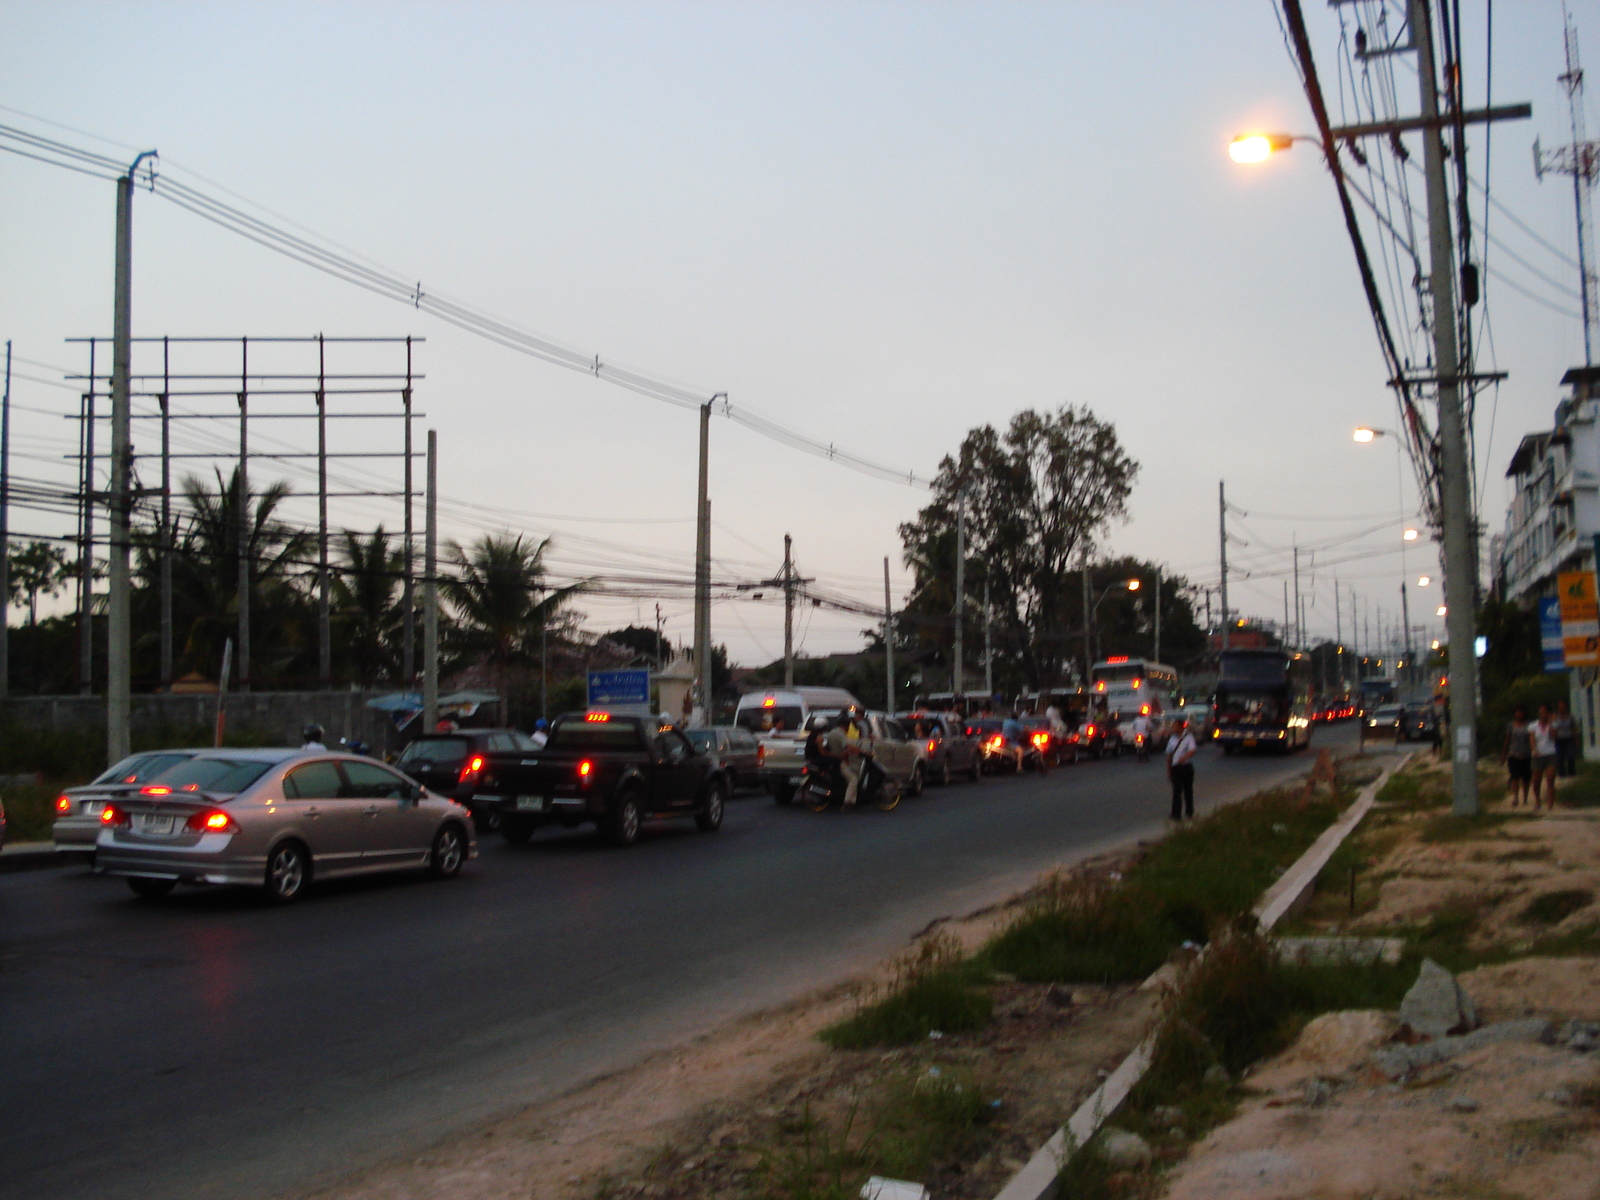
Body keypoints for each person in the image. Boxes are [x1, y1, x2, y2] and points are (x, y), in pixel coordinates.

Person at [1166, 718, 1198, 821]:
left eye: (1175, 726)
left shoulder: (1189, 737)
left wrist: (1184, 758)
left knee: (1188, 791)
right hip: (1175, 768)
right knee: (1176, 791)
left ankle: (1189, 812)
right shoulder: (1172, 739)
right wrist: (1169, 770)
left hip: (1186, 767)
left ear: (1180, 726)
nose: (1173, 728)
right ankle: (1176, 814)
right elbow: (1169, 754)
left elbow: (1193, 750)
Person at [1502, 707, 1533, 807]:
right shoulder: (1511, 726)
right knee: (1515, 777)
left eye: (1521, 712)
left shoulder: (1529, 726)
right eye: (1517, 713)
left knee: (1526, 778)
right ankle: (1515, 797)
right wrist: (1503, 755)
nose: (1519, 715)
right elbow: (1507, 741)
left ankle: (1525, 798)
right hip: (1514, 754)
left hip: (1526, 755)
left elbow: (1532, 739)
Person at [1531, 704, 1559, 810]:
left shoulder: (1553, 724)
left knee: (1550, 779)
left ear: (1548, 713)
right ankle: (1538, 800)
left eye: (1544, 712)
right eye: (1541, 712)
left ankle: (1550, 802)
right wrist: (1534, 750)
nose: (1542, 714)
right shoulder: (1533, 726)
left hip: (1551, 754)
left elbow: (1554, 736)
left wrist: (1551, 723)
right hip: (1538, 755)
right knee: (1536, 781)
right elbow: (1532, 739)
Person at [1553, 700, 1578, 778]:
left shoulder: (1570, 717)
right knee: (1560, 757)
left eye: (1563, 705)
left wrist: (1576, 739)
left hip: (1569, 739)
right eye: (1560, 705)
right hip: (1558, 739)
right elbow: (1552, 727)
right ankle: (1562, 773)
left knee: (1571, 756)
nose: (1561, 707)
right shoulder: (1555, 717)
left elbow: (1574, 728)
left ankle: (1572, 772)